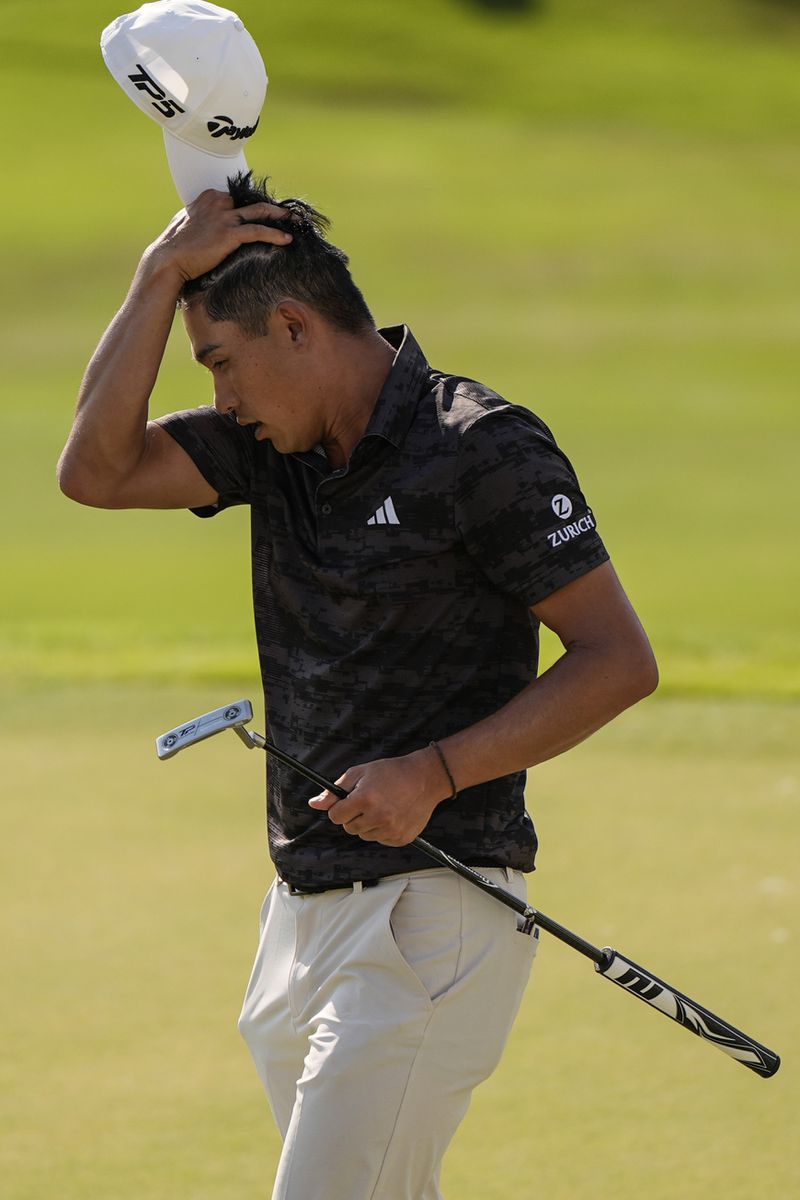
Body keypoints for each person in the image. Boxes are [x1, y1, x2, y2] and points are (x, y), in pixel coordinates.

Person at [58, 173, 658, 1199]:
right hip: (299, 918)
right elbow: (96, 472)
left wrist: (432, 771)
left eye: (218, 363)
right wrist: (158, 276)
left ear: (290, 325)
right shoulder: (272, 454)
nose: (219, 397)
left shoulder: (480, 445)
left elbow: (616, 660)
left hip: (434, 911)